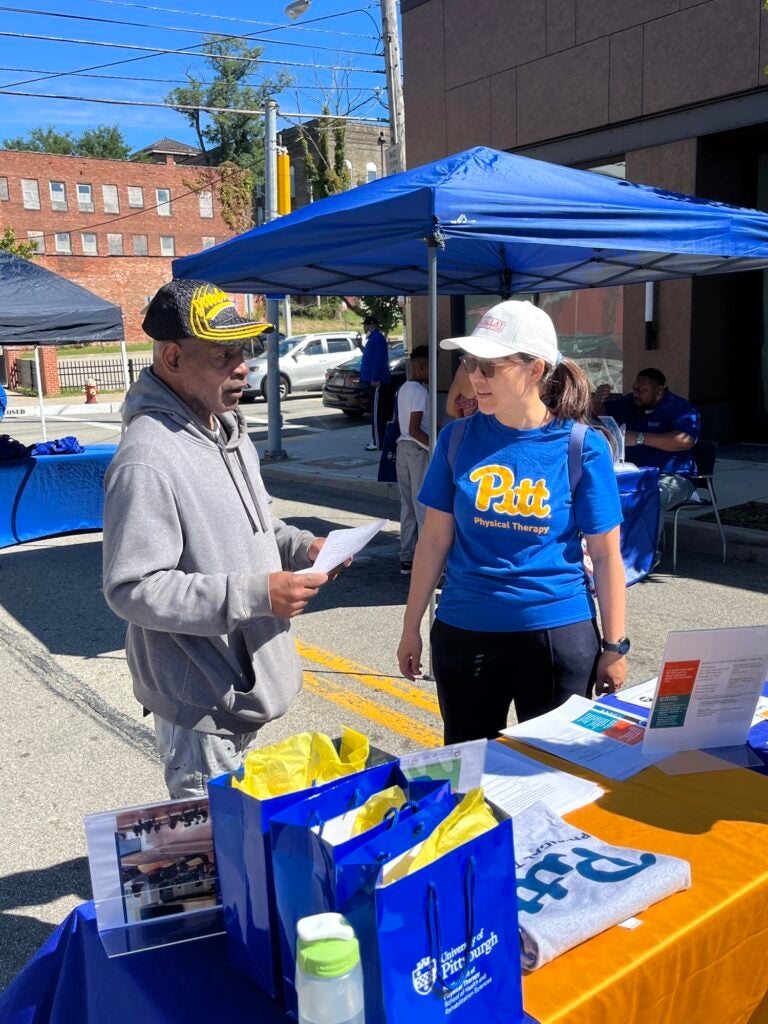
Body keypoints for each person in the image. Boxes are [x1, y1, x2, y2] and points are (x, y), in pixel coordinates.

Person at [103, 280, 337, 799]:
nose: (243, 367)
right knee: (215, 849)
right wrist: (256, 595)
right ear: (172, 357)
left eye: (245, 351)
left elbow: (256, 528)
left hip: (239, 683)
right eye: (223, 355)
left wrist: (302, 547)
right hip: (202, 700)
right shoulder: (147, 458)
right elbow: (132, 588)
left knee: (239, 839)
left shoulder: (228, 430)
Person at [397, 300, 628, 744]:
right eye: (470, 364)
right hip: (465, 632)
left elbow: (605, 554)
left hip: (557, 634)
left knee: (556, 777)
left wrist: (615, 647)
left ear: (535, 369)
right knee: (469, 776)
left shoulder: (582, 447)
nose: (473, 379)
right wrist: (411, 628)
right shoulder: (456, 438)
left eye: (489, 367)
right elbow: (433, 542)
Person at [593, 368, 700, 560]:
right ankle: (607, 553)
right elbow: (601, 414)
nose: (636, 394)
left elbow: (685, 440)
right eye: (635, 388)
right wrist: (597, 402)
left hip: (674, 477)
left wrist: (640, 438)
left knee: (651, 498)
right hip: (634, 474)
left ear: (660, 390)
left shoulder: (681, 409)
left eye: (642, 390)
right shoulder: (630, 403)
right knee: (599, 491)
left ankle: (647, 557)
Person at [395, 345, 430, 576]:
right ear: (420, 366)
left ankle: (406, 556)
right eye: (430, 367)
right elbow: (414, 428)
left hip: (402, 448)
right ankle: (428, 558)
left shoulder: (404, 388)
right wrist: (434, 447)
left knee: (407, 504)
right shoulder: (420, 392)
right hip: (417, 449)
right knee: (422, 505)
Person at [359, 314, 393, 451]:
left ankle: (378, 442)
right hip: (375, 381)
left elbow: (379, 360)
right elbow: (370, 357)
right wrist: (360, 346)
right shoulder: (373, 339)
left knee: (377, 413)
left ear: (371, 325)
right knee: (377, 412)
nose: (364, 327)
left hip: (378, 382)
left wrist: (375, 378)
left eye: (366, 325)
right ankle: (378, 440)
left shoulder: (377, 339)